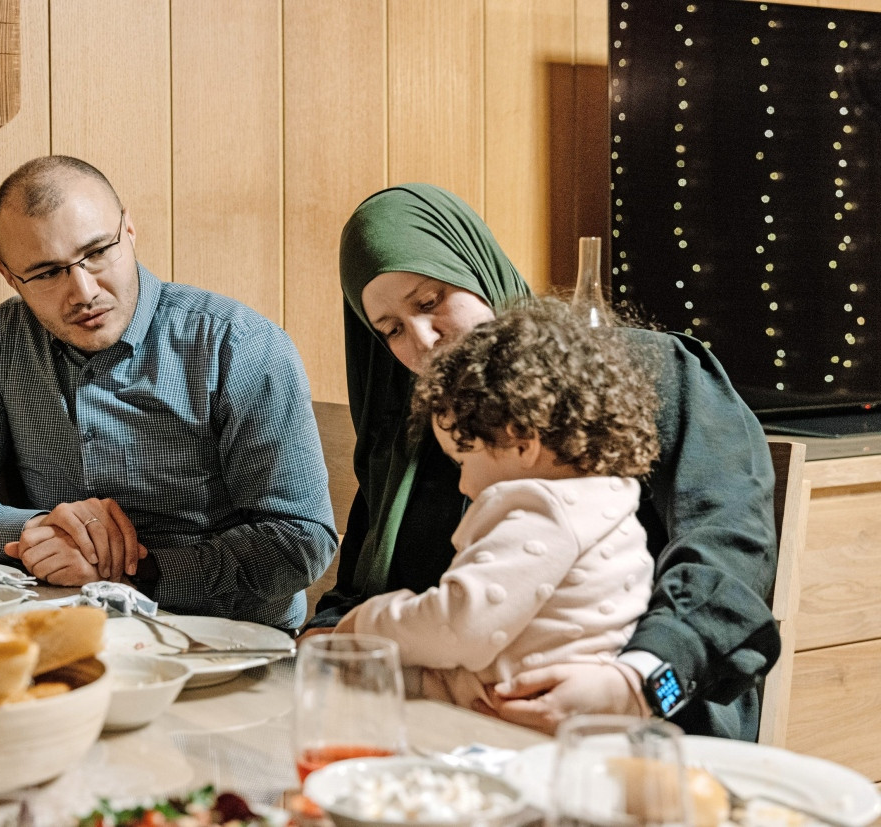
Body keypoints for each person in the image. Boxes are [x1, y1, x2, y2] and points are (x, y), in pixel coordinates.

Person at [312, 183, 780, 740]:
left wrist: (637, 686)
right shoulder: (429, 432)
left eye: (430, 300)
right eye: (389, 330)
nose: (421, 339)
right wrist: (325, 638)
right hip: (451, 737)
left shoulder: (643, 373)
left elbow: (730, 557)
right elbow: (366, 585)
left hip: (647, 730)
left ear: (476, 266)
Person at [0, 155, 338, 630]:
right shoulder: (5, 342)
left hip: (228, 640)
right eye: (47, 274)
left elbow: (300, 541)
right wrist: (38, 530)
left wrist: (137, 572)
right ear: (10, 277)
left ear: (129, 231)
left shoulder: (240, 344)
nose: (83, 291)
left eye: (97, 253)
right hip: (64, 633)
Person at [338, 298, 661, 716]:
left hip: (510, 719)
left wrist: (366, 623)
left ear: (523, 442)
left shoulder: (541, 512)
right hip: (555, 707)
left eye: (464, 460)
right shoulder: (608, 498)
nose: (463, 483)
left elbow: (461, 625)